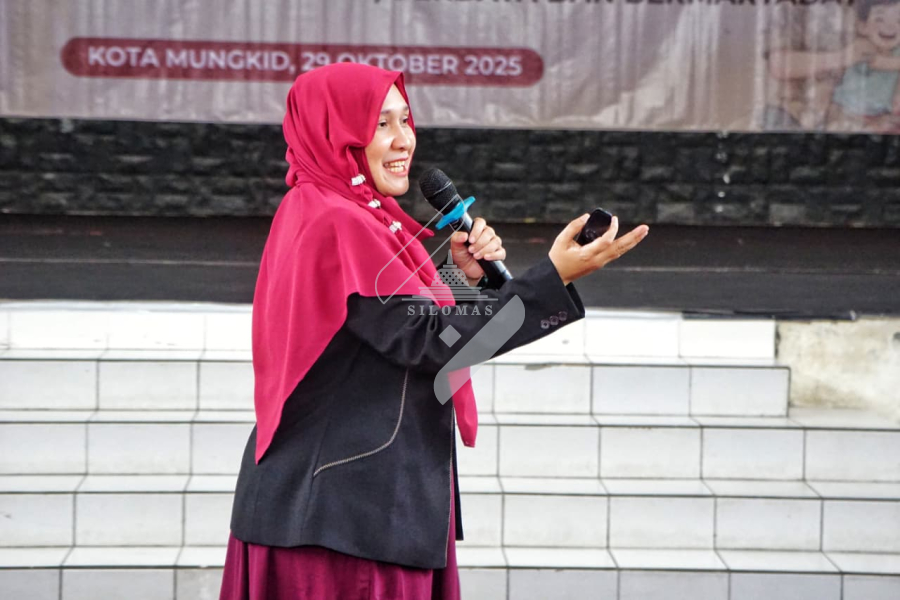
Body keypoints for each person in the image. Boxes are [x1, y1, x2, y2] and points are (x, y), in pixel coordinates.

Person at [219, 62, 649, 600]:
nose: (404, 139)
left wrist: (461, 280)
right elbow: (429, 343)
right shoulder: (336, 220)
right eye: (380, 124)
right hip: (341, 524)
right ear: (335, 131)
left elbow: (390, 327)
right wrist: (551, 278)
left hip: (344, 507)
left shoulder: (338, 210)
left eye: (405, 119)